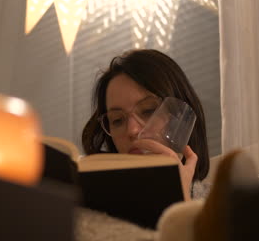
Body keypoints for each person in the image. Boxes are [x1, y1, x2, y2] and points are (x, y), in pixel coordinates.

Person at [81, 49, 209, 200]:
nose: (132, 130)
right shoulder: (89, 205)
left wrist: (178, 197)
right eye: (117, 120)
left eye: (148, 111)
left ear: (182, 118)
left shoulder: (223, 207)